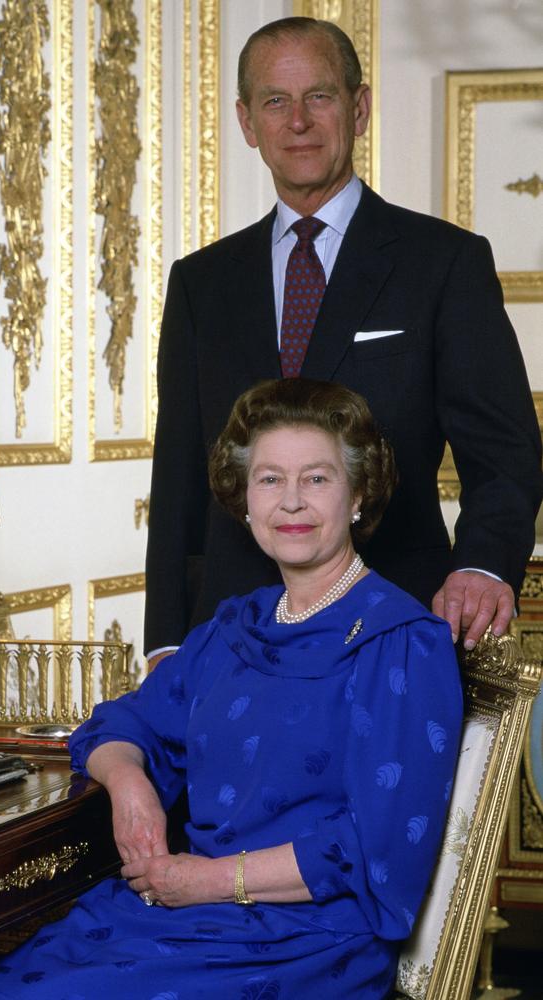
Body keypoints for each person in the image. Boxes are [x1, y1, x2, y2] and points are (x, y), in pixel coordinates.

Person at [0, 379, 463, 999]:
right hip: (186, 910)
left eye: (317, 479)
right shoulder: (236, 627)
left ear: (357, 495)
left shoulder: (402, 642)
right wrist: (130, 785)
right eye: (270, 480)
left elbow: (373, 846)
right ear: (245, 501)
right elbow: (119, 723)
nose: (292, 503)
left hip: (305, 941)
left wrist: (208, 882)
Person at [144, 15, 542, 670]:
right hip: (231, 636)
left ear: (358, 109)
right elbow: (181, 474)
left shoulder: (444, 263)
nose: (297, 121)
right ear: (248, 122)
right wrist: (166, 639)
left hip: (394, 627)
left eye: (319, 96)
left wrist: (480, 565)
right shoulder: (201, 283)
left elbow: (503, 452)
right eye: (276, 100)